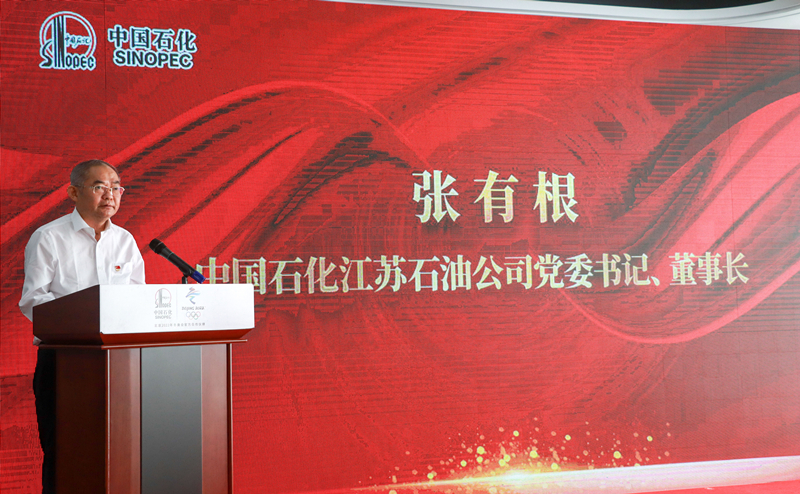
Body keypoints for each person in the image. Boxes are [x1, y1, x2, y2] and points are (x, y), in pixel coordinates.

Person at [19, 159, 145, 494]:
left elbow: (138, 299)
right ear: (73, 193)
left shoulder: (125, 241)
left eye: (116, 187)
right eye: (99, 186)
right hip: (66, 362)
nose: (110, 194)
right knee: (66, 454)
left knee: (120, 452)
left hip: (120, 363)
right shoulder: (49, 237)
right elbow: (33, 300)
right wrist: (84, 319)